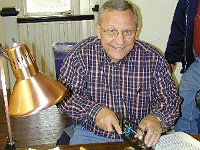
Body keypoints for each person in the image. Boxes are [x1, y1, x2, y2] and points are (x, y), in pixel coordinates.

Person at [57, 0, 181, 148]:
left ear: (136, 30)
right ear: (98, 30)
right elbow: (63, 98)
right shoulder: (80, 55)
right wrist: (94, 111)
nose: (120, 40)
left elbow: (170, 100)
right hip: (91, 134)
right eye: (111, 31)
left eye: (127, 32)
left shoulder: (153, 58)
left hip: (141, 138)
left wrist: (157, 119)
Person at [165, 0, 200, 134]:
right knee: (185, 94)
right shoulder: (188, 2)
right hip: (197, 62)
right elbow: (178, 30)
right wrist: (170, 60)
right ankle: (185, 138)